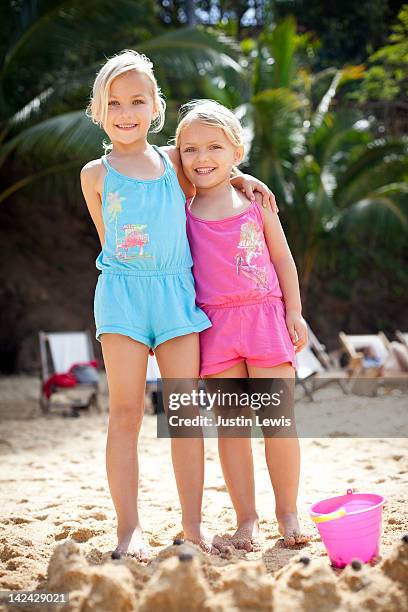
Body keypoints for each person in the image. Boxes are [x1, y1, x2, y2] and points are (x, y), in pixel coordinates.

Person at [80, 50, 277, 559]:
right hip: (122, 296)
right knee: (125, 413)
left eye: (137, 101)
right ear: (99, 109)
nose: (127, 112)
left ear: (155, 106)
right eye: (115, 102)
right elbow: (110, 242)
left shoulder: (174, 163)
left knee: (186, 413)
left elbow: (211, 167)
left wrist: (244, 180)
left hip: (176, 297)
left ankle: (192, 524)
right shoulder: (94, 175)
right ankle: (129, 530)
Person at [177, 99, 310, 549]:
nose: (202, 158)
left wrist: (293, 310)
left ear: (237, 150)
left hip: (265, 317)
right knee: (232, 429)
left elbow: (282, 259)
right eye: (189, 149)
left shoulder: (256, 202)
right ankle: (247, 517)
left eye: (214, 147)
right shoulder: (181, 208)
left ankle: (287, 512)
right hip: (214, 328)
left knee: (278, 422)